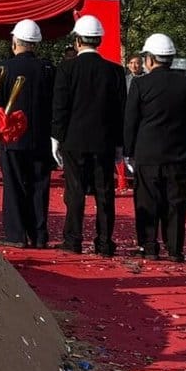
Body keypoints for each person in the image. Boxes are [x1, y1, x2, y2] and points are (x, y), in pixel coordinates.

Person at [51, 15, 126, 255]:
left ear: (77, 41)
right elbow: (120, 110)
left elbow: (60, 106)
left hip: (74, 139)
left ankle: (73, 240)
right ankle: (104, 243)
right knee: (105, 193)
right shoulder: (114, 71)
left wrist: (56, 136)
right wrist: (118, 144)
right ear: (99, 40)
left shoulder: (67, 68)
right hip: (104, 141)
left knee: (74, 192)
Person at [123, 34, 186, 261]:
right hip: (178, 154)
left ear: (149, 59)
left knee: (147, 201)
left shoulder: (140, 83)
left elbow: (131, 121)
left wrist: (128, 151)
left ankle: (149, 246)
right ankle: (175, 249)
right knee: (176, 203)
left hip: (147, 154)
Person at [0, 20, 56, 248]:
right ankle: (39, 234)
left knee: (13, 186)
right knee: (40, 186)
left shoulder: (3, 68)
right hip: (40, 137)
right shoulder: (48, 69)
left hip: (11, 138)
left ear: (14, 41)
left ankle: (16, 234)